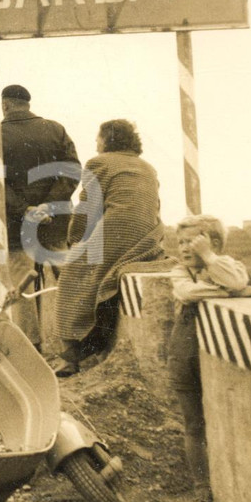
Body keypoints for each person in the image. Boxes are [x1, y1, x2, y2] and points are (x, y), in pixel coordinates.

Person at [52, 119, 167, 376]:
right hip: (148, 235)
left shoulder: (98, 163)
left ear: (108, 140)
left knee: (71, 277)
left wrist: (75, 240)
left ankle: (70, 355)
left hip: (117, 231)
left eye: (98, 138)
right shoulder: (148, 167)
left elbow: (86, 210)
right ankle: (92, 346)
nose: (96, 143)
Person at [167, 214, 251, 502]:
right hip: (184, 353)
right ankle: (201, 490)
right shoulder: (179, 273)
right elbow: (187, 293)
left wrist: (210, 259)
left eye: (191, 243)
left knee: (225, 418)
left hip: (220, 355)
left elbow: (236, 279)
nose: (183, 249)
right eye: (180, 242)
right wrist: (229, 292)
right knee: (194, 424)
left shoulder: (228, 265)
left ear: (214, 243)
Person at [0, 84, 79, 351]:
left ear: (6, 105)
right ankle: (76, 343)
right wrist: (48, 205)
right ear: (28, 104)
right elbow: (72, 170)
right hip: (55, 222)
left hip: (14, 224)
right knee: (66, 279)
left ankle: (31, 348)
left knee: (20, 284)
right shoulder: (55, 129)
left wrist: (24, 209)